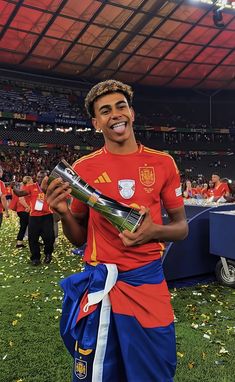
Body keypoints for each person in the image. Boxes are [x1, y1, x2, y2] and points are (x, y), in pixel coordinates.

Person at [44, 79, 188, 382]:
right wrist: (63, 213)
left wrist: (152, 232)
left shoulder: (163, 163)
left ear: (132, 113)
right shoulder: (84, 169)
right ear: (97, 122)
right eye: (105, 111)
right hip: (102, 284)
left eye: (120, 106)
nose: (115, 115)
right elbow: (79, 236)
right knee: (101, 376)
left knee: (156, 372)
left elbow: (181, 228)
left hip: (147, 282)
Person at [13, 170, 55, 265]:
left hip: (47, 216)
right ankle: (35, 258)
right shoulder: (31, 187)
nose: (40, 179)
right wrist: (13, 188)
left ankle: (48, 254)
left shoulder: (50, 187)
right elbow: (20, 194)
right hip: (34, 217)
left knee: (49, 237)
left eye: (42, 177)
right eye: (38, 177)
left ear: (46, 178)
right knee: (33, 238)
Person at [10, 176, 33, 248]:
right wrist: (28, 207)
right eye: (31, 180)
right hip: (24, 210)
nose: (33, 181)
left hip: (21, 210)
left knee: (23, 226)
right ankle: (33, 242)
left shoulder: (22, 186)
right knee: (33, 226)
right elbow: (21, 199)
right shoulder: (25, 187)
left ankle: (19, 243)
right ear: (29, 181)